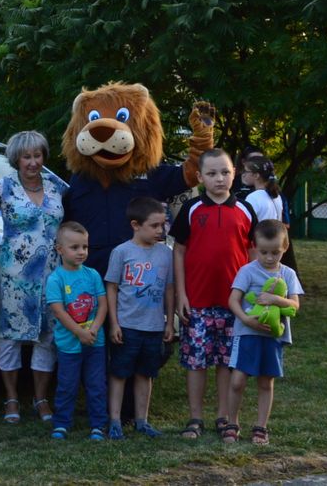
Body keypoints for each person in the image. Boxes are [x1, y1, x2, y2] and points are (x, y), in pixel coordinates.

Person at [0, 131, 67, 424]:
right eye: (26, 157)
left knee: (47, 337)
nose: (32, 162)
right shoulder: (3, 187)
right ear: (16, 159)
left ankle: (41, 399)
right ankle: (11, 398)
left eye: (37, 155)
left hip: (53, 275)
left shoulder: (56, 185)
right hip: (13, 276)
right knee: (10, 338)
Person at [171, 149, 257, 439]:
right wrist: (181, 294)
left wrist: (252, 298)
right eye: (212, 173)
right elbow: (179, 251)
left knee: (226, 361)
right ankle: (195, 417)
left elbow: (253, 255)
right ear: (200, 177)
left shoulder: (245, 210)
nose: (219, 179)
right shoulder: (192, 209)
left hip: (234, 304)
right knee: (197, 362)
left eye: (225, 172)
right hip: (197, 301)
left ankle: (224, 416)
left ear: (234, 172)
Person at [224, 220, 303, 445]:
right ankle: (232, 423)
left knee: (265, 382)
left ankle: (261, 427)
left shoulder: (288, 274)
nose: (269, 258)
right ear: (254, 247)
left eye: (275, 252)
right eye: (263, 252)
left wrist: (276, 299)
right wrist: (247, 319)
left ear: (285, 248)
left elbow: (295, 305)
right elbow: (233, 300)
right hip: (246, 333)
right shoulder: (247, 271)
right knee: (237, 380)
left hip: (273, 336)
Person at [104, 196, 175, 440]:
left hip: (154, 326)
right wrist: (114, 323)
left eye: (163, 225)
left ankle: (141, 420)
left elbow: (169, 289)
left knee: (146, 373)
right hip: (127, 325)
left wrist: (168, 322)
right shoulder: (122, 252)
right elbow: (111, 287)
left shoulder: (166, 254)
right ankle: (114, 420)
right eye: (154, 225)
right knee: (120, 373)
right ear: (136, 225)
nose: (161, 230)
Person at [46, 221, 108, 440]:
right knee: (67, 385)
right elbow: (59, 312)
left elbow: (103, 304)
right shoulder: (56, 279)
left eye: (85, 247)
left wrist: (94, 329)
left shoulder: (93, 275)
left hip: (95, 342)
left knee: (96, 385)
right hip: (69, 345)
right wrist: (79, 333)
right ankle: (62, 423)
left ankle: (98, 425)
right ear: (60, 249)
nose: (81, 252)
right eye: (75, 247)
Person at [241, 156, 283, 223]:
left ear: (256, 175)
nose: (243, 175)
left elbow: (244, 225)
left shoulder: (254, 197)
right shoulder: (277, 196)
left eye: (245, 171)